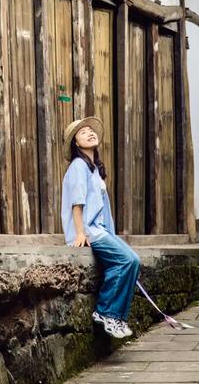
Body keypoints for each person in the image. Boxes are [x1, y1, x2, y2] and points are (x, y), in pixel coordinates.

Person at [60, 116, 141, 340]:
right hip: (90, 231)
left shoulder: (95, 169)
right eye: (83, 132)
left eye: (91, 130)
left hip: (102, 230)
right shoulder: (78, 167)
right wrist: (79, 233)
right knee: (128, 260)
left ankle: (117, 318)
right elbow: (77, 203)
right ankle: (106, 312)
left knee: (133, 263)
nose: (89, 133)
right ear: (76, 143)